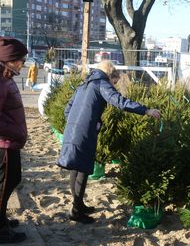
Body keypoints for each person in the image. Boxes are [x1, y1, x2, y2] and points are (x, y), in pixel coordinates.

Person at [57, 60, 161, 224]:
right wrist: (146, 110)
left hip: (72, 130)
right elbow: (119, 101)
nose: (114, 85)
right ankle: (76, 211)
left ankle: (79, 205)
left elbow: (67, 108)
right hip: (84, 132)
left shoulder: (84, 84)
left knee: (76, 167)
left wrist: (74, 123)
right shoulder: (101, 83)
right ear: (110, 75)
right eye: (115, 82)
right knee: (82, 169)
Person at [0, 37, 28, 243]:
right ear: (9, 59)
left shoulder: (6, 76)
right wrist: (16, 133)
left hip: (10, 142)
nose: (23, 64)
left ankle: (2, 219)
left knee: (12, 180)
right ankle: (1, 231)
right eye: (21, 60)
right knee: (4, 185)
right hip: (4, 144)